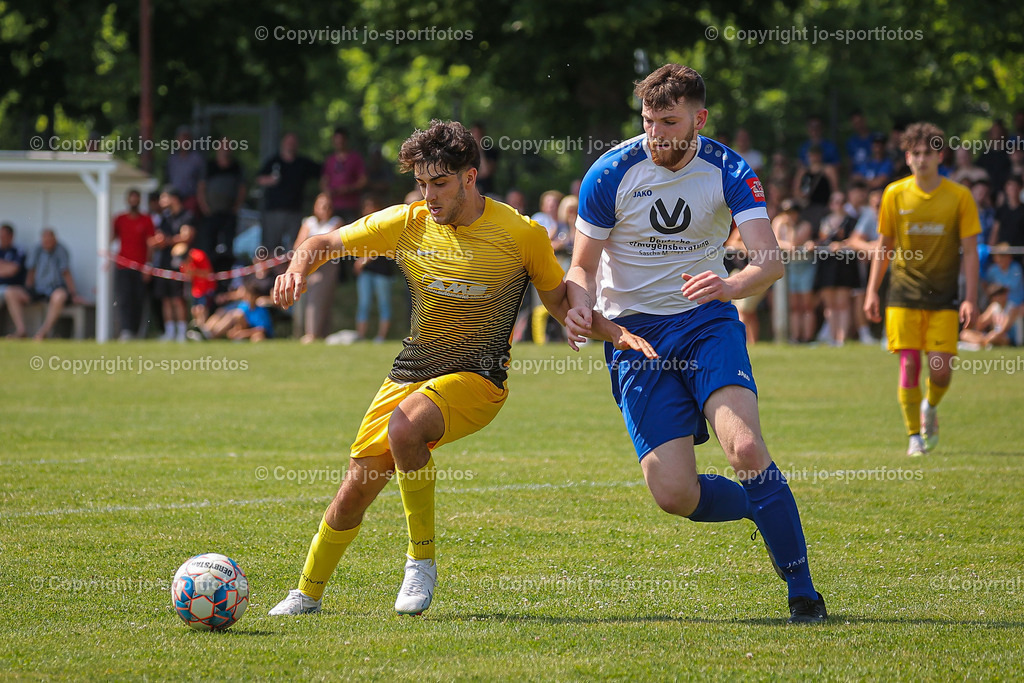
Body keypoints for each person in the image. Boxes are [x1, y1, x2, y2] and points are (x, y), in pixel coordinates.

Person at [266, 119, 634, 618]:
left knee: (405, 427)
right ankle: (306, 593)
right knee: (354, 491)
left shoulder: (520, 233)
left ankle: (420, 562)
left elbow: (561, 301)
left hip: (478, 377)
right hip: (412, 369)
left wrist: (606, 329)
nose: (429, 195)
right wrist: (294, 271)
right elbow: (322, 244)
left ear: (470, 177)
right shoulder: (409, 222)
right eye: (422, 183)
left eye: (439, 183)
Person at [565, 64, 826, 624]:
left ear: (698, 119)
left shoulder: (729, 169)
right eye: (648, 120)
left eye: (669, 122)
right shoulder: (610, 172)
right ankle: (760, 507)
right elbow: (581, 267)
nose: (656, 134)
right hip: (635, 337)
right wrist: (580, 305)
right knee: (674, 494)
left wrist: (729, 286)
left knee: (747, 450)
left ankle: (803, 592)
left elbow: (769, 262)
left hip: (706, 324)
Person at [864, 122, 980, 457]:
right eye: (915, 153)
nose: (922, 159)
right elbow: (884, 246)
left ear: (940, 156)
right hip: (903, 294)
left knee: (941, 370)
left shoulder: (959, 196)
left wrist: (971, 298)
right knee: (910, 364)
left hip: (943, 297)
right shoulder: (894, 193)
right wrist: (872, 291)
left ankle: (930, 405)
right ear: (907, 157)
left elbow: (971, 251)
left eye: (928, 152)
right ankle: (914, 436)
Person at [4, 228, 86, 340]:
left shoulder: (61, 250)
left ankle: (43, 332)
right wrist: (28, 289)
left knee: (59, 296)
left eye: (49, 240)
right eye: (44, 240)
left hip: (55, 288)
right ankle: (21, 330)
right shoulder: (37, 249)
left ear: (55, 239)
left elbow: (66, 272)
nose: (47, 243)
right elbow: (31, 271)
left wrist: (74, 294)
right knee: (10, 292)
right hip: (38, 289)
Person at [256, 132, 321, 252]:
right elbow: (259, 178)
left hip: (295, 211)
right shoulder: (274, 162)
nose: (290, 145)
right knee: (271, 246)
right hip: (274, 211)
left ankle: (293, 265)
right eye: (288, 142)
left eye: (293, 143)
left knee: (294, 246)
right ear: (283, 143)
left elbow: (323, 172)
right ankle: (272, 265)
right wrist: (270, 180)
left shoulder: (303, 163)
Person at [291, 193, 342, 342]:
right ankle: (302, 333)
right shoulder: (309, 222)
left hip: (327, 267)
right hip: (308, 265)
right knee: (303, 300)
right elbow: (298, 245)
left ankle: (312, 334)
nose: (324, 208)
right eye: (321, 205)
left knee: (318, 299)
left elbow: (330, 245)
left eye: (328, 206)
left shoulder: (336, 222)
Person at [814, 191, 860, 346]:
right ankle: (832, 338)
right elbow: (820, 239)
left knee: (843, 304)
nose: (837, 205)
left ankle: (841, 339)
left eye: (841, 202)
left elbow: (857, 239)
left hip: (844, 265)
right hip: (826, 265)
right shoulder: (824, 221)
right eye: (834, 201)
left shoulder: (852, 221)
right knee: (830, 305)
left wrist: (841, 245)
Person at [197, 138, 246, 274]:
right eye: (223, 147)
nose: (225, 150)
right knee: (208, 246)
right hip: (211, 214)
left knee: (227, 248)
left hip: (228, 214)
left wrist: (236, 207)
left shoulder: (236, 167)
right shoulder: (209, 166)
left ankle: (224, 276)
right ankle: (208, 275)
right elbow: (201, 188)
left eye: (228, 147)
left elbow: (242, 189)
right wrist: (205, 208)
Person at [151, 187, 193, 342]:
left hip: (179, 264)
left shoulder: (187, 216)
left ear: (174, 198)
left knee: (178, 299)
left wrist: (168, 240)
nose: (161, 201)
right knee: (165, 299)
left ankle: (182, 333)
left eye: (164, 197)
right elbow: (158, 239)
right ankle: (169, 332)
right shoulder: (164, 218)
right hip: (163, 263)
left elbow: (187, 237)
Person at [112, 189, 155, 340]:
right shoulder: (120, 219)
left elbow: (150, 244)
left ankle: (137, 332)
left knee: (138, 299)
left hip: (141, 267)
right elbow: (111, 238)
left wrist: (148, 265)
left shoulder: (146, 220)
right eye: (131, 199)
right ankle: (126, 330)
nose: (133, 202)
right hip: (123, 267)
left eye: (136, 199)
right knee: (124, 299)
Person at [773, 200, 816, 343]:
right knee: (795, 305)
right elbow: (775, 241)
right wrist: (786, 241)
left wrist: (789, 227)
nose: (789, 216)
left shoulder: (805, 225)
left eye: (792, 213)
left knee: (807, 304)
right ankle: (795, 337)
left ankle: (807, 338)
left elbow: (794, 242)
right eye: (786, 213)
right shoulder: (778, 222)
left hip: (805, 266)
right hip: (790, 267)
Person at [354, 196, 395, 342]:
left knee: (384, 304)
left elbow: (382, 246)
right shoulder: (361, 226)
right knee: (363, 304)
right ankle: (360, 336)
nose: (368, 209)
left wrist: (364, 260)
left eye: (371, 206)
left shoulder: (384, 224)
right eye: (366, 206)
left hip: (382, 272)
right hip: (366, 272)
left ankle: (381, 337)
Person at [320, 127, 367, 224]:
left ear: (346, 141)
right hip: (332, 206)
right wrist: (327, 193)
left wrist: (348, 188)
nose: (339, 143)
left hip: (351, 205)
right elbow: (324, 181)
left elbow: (363, 181)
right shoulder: (330, 160)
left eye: (341, 141)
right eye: (337, 141)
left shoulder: (355, 158)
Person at [166, 126, 206, 217]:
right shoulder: (172, 159)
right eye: (181, 137)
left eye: (186, 137)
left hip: (190, 199)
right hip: (174, 199)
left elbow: (201, 182)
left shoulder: (197, 159)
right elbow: (168, 179)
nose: (184, 140)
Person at [0, 223, 27, 310]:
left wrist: (3, 265)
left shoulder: (18, 250)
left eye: (4, 236)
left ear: (11, 236)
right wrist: (7, 265)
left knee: (8, 292)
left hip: (13, 287)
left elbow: (13, 270)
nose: (1, 238)